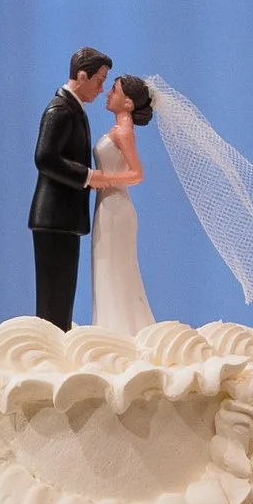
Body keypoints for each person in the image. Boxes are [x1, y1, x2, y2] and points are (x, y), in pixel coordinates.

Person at [29, 47, 114, 329]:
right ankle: (48, 348)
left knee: (63, 293)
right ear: (82, 75)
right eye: (100, 80)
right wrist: (88, 176)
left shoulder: (73, 108)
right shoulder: (60, 109)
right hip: (54, 215)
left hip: (63, 216)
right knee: (54, 294)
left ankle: (56, 340)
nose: (102, 88)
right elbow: (45, 158)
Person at [89, 74, 155, 332]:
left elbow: (136, 173)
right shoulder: (117, 130)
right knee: (107, 266)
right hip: (107, 205)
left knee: (114, 268)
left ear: (128, 103)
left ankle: (118, 330)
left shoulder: (124, 132)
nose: (108, 94)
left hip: (116, 207)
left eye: (114, 90)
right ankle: (110, 326)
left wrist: (102, 179)